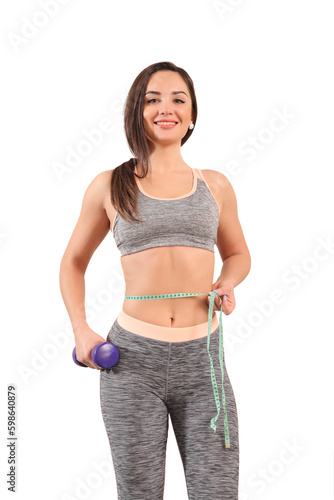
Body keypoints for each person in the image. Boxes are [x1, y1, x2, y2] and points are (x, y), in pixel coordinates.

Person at [59, 61, 251, 500]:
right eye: (152, 99)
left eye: (178, 99)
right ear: (136, 112)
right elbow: (72, 262)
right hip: (131, 362)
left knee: (217, 492)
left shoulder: (215, 186)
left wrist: (227, 281)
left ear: (192, 115)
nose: (166, 108)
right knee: (140, 494)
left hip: (204, 365)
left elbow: (239, 254)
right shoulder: (110, 185)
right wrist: (81, 329)